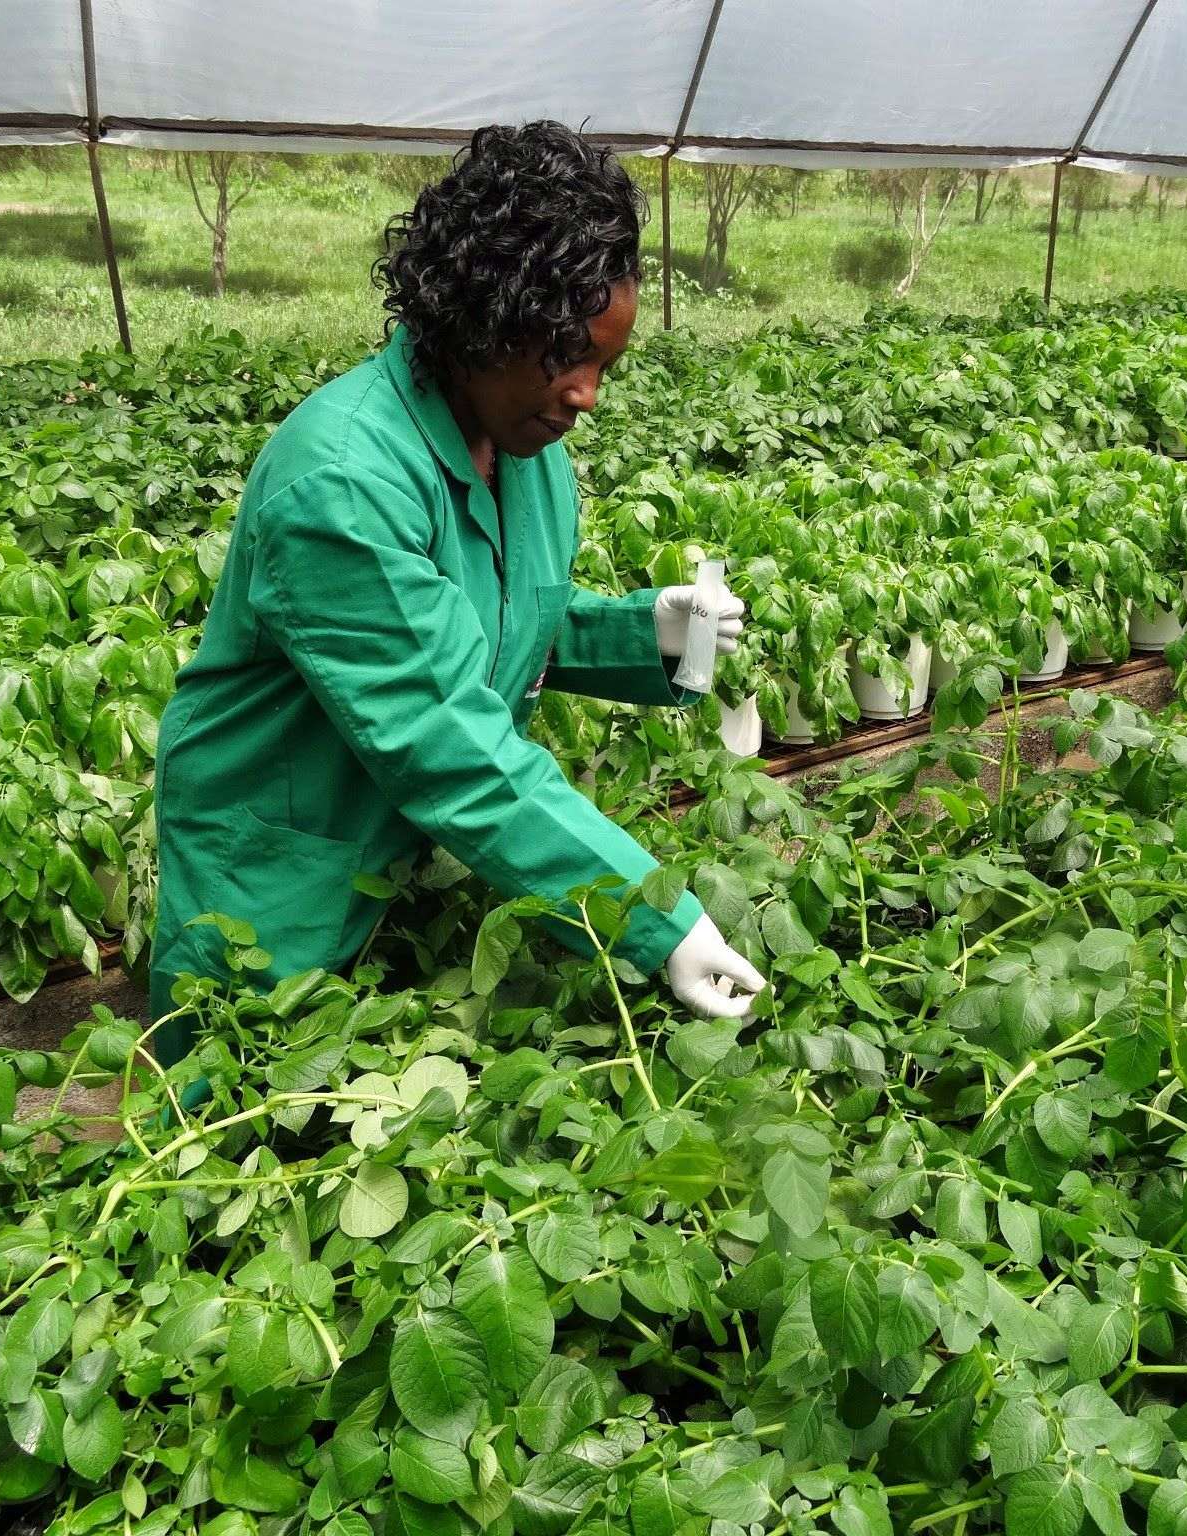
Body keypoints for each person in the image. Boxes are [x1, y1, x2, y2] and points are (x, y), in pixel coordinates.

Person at [148, 122, 765, 1064]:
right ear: (481, 320)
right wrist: (657, 923)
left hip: (406, 861)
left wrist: (650, 634)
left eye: (607, 365)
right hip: (280, 875)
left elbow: (499, 629)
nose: (587, 395)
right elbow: (450, 743)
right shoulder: (343, 483)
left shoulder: (523, 445)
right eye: (568, 357)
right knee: (230, 1122)